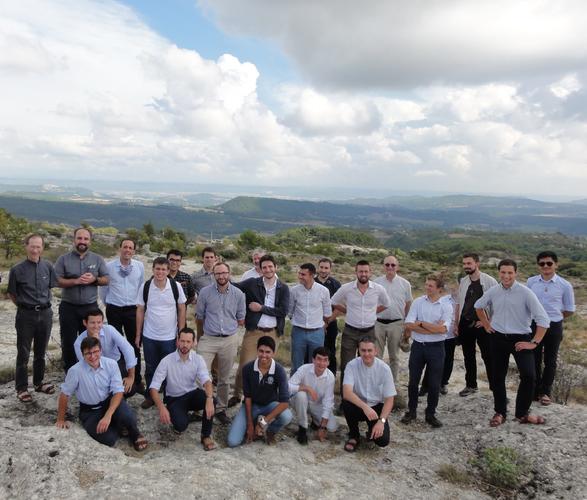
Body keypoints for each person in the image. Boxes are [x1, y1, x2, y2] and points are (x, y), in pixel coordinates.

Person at [475, 259, 551, 427]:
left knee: (529, 376)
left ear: (516, 273)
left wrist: (534, 342)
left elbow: (543, 320)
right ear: (499, 273)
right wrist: (487, 324)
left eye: (510, 272)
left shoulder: (526, 293)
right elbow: (478, 306)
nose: (506, 276)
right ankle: (500, 411)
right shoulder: (493, 291)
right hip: (498, 338)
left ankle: (522, 413)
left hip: (521, 338)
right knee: (497, 377)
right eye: (503, 272)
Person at [56, 337, 147, 451]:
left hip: (110, 402)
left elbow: (118, 391)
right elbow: (65, 394)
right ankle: (120, 426)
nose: (93, 356)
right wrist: (60, 419)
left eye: (95, 352)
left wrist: (108, 415)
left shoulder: (111, 364)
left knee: (129, 418)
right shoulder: (75, 371)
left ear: (101, 350)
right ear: (82, 354)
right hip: (90, 411)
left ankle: (134, 433)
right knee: (109, 439)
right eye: (88, 353)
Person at [228, 255, 290, 407]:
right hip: (254, 331)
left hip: (273, 333)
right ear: (260, 269)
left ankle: (262, 397)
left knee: (267, 366)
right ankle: (237, 394)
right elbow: (233, 287)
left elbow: (283, 311)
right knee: (244, 365)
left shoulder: (283, 287)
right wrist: (224, 273)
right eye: (264, 267)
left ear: (276, 267)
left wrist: (261, 308)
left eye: (270, 266)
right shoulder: (252, 283)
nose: (268, 270)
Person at [8, 234, 58, 402]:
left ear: (42, 248)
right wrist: (26, 307)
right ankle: (21, 388)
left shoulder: (48, 267)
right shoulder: (17, 270)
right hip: (26, 315)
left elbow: (51, 287)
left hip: (45, 313)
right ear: (26, 246)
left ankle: (38, 382)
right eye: (32, 246)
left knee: (41, 351)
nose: (35, 249)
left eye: (38, 246)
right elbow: (13, 294)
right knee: (23, 352)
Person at [149, 328, 217, 451]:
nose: (185, 345)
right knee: (180, 426)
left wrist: (209, 399)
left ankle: (205, 435)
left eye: (188, 342)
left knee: (213, 401)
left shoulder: (198, 359)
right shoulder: (167, 360)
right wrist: (161, 408)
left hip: (192, 394)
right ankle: (184, 417)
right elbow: (153, 387)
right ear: (177, 341)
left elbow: (206, 381)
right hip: (174, 399)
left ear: (193, 343)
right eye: (182, 341)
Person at [195, 262, 246, 424]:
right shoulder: (205, 293)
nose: (221, 276)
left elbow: (240, 317)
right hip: (209, 338)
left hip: (229, 339)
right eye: (218, 274)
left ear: (229, 273)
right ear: (213, 275)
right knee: (199, 374)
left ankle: (221, 408)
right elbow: (200, 316)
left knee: (224, 378)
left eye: (224, 273)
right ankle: (199, 407)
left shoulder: (239, 294)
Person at [330, 260, 390, 394]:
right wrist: (348, 310)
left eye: (366, 271)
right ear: (356, 272)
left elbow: (386, 304)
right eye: (361, 271)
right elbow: (333, 301)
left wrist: (373, 311)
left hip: (369, 332)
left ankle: (364, 396)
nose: (363, 274)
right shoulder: (347, 288)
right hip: (350, 331)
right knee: (347, 365)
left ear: (370, 272)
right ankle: (346, 399)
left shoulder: (378, 289)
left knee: (367, 365)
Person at [54, 227, 109, 372]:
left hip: (89, 308)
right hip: (68, 307)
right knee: (68, 341)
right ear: (74, 240)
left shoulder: (97, 259)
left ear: (90, 241)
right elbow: (56, 280)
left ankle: (90, 370)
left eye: (85, 239)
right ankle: (71, 372)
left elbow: (107, 279)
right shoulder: (63, 259)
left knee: (90, 340)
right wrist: (76, 281)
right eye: (79, 238)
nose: (82, 241)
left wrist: (94, 279)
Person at [401, 274, 453, 428]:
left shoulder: (446, 306)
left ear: (439, 289)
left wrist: (422, 323)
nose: (427, 287)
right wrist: (432, 328)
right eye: (426, 284)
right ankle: (411, 412)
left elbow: (443, 329)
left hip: (436, 348)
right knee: (413, 381)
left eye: (431, 286)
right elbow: (409, 324)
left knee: (435, 384)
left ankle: (430, 414)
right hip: (418, 346)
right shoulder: (418, 302)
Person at [136, 257, 187, 409]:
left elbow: (182, 309)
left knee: (169, 367)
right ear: (153, 269)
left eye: (163, 269)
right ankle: (150, 396)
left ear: (168, 270)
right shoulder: (145, 287)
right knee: (150, 367)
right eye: (157, 269)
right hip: (149, 335)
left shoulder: (175, 286)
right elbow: (140, 310)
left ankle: (168, 397)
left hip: (169, 336)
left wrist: (181, 334)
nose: (160, 272)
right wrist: (138, 335)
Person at [527, 251, 575, 406]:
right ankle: (533, 391)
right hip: (534, 325)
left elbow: (569, 309)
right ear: (538, 265)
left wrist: (554, 318)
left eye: (549, 263)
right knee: (533, 358)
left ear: (556, 264)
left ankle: (545, 392)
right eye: (542, 263)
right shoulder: (531, 282)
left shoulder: (565, 285)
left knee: (550, 360)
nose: (545, 266)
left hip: (553, 326)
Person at [227, 336, 292, 447]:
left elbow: (285, 402)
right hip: (252, 405)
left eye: (268, 352)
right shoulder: (247, 368)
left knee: (287, 416)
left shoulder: (279, 370)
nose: (264, 355)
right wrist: (250, 424)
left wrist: (263, 423)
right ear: (257, 351)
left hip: (270, 404)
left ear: (273, 353)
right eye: (261, 351)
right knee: (233, 442)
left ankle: (270, 431)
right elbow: (247, 397)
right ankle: (253, 421)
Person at [100, 239, 145, 393]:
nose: (127, 250)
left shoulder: (139, 266)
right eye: (125, 247)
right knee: (115, 346)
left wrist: (138, 307)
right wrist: (108, 304)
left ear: (134, 251)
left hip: (132, 310)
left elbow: (140, 288)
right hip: (114, 310)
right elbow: (104, 289)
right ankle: (118, 378)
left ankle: (137, 380)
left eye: (130, 248)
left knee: (135, 345)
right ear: (120, 248)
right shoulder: (109, 266)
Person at [454, 253, 498, 397]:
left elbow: (497, 303)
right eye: (464, 264)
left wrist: (488, 321)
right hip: (466, 323)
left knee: (489, 356)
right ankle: (471, 385)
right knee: (468, 356)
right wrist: (456, 323)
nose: (466, 266)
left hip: (483, 326)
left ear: (477, 263)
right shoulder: (464, 281)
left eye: (469, 263)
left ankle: (495, 388)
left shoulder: (489, 281)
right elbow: (459, 303)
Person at [342, 337, 395, 452]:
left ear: (376, 351)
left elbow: (390, 400)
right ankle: (354, 435)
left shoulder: (384, 369)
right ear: (359, 350)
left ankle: (372, 430)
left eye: (369, 350)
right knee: (346, 403)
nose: (366, 354)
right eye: (363, 350)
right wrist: (365, 407)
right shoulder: (351, 365)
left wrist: (382, 421)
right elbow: (346, 392)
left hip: (376, 408)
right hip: (359, 406)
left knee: (382, 441)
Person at [373, 255, 412, 399]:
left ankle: (393, 384)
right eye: (387, 265)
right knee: (376, 355)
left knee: (394, 356)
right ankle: (376, 383)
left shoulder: (405, 284)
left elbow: (408, 303)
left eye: (393, 265)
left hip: (397, 323)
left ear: (397, 266)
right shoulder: (376, 282)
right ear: (383, 266)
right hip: (378, 323)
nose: (390, 267)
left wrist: (407, 324)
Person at [74, 309, 137, 395]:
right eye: (92, 323)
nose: (96, 326)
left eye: (99, 322)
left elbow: (128, 349)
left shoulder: (109, 330)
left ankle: (118, 398)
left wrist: (131, 376)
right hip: (94, 369)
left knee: (130, 388)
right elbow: (87, 364)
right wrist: (95, 342)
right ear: (85, 323)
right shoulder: (78, 343)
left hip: (115, 364)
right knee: (103, 390)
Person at [289, 263, 332, 375]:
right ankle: (294, 391)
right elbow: (290, 311)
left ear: (312, 275)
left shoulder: (323, 291)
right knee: (296, 365)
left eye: (303, 274)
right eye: (299, 273)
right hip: (298, 331)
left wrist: (322, 326)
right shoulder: (294, 291)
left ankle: (313, 391)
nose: (300, 276)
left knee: (315, 365)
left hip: (317, 333)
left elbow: (327, 313)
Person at [289, 347, 337, 445]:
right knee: (301, 395)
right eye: (319, 359)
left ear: (328, 362)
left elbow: (328, 402)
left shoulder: (330, 377)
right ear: (313, 360)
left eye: (325, 360)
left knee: (332, 428)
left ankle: (315, 422)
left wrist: (323, 427)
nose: (321, 363)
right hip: (300, 401)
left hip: (317, 404)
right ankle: (302, 428)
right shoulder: (304, 368)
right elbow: (288, 386)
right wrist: (306, 388)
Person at [419, 292, 457, 396]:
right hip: (438, 334)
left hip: (452, 334)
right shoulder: (444, 299)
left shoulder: (462, 298)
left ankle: (443, 383)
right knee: (432, 360)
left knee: (449, 359)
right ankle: (425, 386)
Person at [315, 258, 341, 374]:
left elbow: (339, 307)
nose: (323, 270)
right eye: (321, 267)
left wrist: (327, 322)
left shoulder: (336, 284)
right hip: (314, 323)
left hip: (331, 323)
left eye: (326, 268)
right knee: (314, 351)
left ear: (330, 269)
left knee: (330, 352)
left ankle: (331, 377)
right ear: (318, 267)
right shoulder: (312, 282)